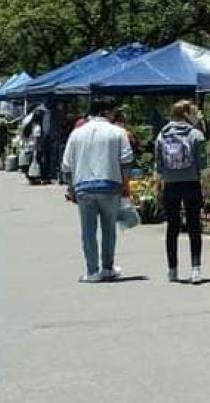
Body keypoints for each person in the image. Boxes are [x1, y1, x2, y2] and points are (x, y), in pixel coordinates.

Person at [62, 99, 133, 283]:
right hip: (111, 186)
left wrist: (71, 188)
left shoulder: (77, 134)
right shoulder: (118, 132)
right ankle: (107, 268)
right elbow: (126, 161)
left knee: (88, 231)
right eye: (112, 112)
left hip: (84, 187)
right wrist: (125, 185)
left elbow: (67, 165)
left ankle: (92, 271)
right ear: (105, 112)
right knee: (109, 229)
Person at [155, 100, 207, 284]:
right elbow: (202, 164)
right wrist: (206, 184)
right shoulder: (196, 134)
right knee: (194, 226)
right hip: (191, 183)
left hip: (170, 184)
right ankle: (195, 269)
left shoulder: (162, 135)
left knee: (172, 227)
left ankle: (172, 269)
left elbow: (159, 165)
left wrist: (158, 186)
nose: (196, 114)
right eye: (193, 111)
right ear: (186, 113)